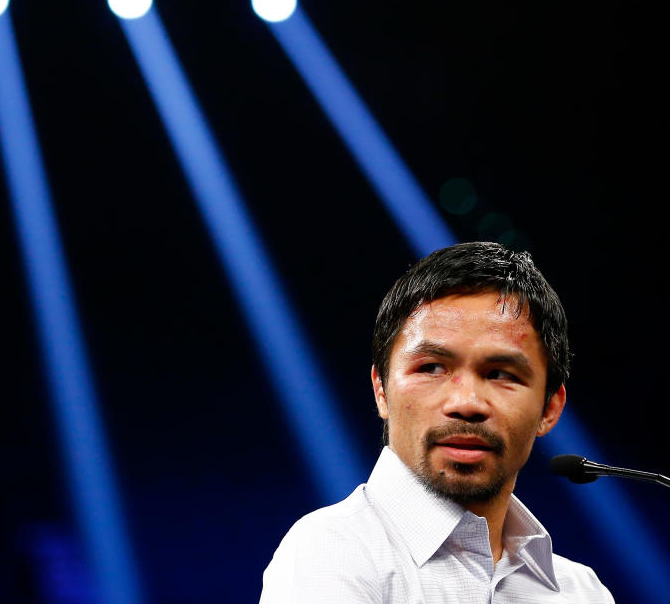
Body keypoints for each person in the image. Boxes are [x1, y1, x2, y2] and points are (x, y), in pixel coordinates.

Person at [260, 242, 614, 603]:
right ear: (381, 390)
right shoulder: (329, 554)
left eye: (500, 373)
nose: (466, 403)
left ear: (550, 408)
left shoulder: (582, 591)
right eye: (431, 368)